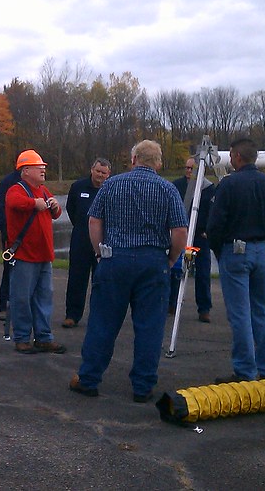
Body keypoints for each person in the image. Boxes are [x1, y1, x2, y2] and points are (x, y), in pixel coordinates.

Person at [69, 140, 187, 402]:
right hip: (153, 262)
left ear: (133, 159)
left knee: (103, 323)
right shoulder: (168, 189)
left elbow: (94, 220)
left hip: (115, 259)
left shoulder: (111, 184)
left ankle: (89, 379)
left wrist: (99, 252)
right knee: (149, 327)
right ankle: (142, 386)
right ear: (158, 163)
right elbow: (180, 231)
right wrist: (170, 259)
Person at [206, 138, 265, 383]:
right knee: (262, 310)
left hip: (236, 250)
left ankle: (245, 370)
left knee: (240, 313)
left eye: (231, 155)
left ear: (237, 157)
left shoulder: (228, 185)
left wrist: (219, 250)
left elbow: (215, 225)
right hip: (263, 250)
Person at [4, 149, 65, 355]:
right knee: (21, 298)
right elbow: (13, 202)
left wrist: (55, 206)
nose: (43, 170)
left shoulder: (44, 190)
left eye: (44, 167)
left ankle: (44, 337)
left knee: (44, 298)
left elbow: (56, 214)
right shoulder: (16, 189)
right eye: (40, 167)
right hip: (24, 256)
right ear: (26, 170)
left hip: (44, 256)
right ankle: (22, 338)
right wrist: (34, 204)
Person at [62, 158, 112, 328]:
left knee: (102, 280)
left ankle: (99, 316)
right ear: (92, 170)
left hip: (103, 242)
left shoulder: (111, 188)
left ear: (108, 174)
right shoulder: (78, 187)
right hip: (81, 239)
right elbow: (71, 209)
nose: (100, 175)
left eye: (103, 173)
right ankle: (72, 315)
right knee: (77, 278)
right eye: (98, 171)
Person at [168, 157, 215, 322]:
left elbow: (212, 210)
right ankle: (171, 303)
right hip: (182, 234)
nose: (188, 172)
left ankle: (204, 308)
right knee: (176, 269)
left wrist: (207, 230)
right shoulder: (177, 186)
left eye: (191, 169)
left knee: (202, 273)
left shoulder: (208, 188)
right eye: (187, 168)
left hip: (199, 236)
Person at [0, 166, 22, 320]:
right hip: (10, 234)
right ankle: (4, 306)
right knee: (9, 268)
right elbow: (0, 207)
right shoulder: (8, 182)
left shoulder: (35, 182)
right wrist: (4, 230)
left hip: (28, 234)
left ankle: (21, 306)